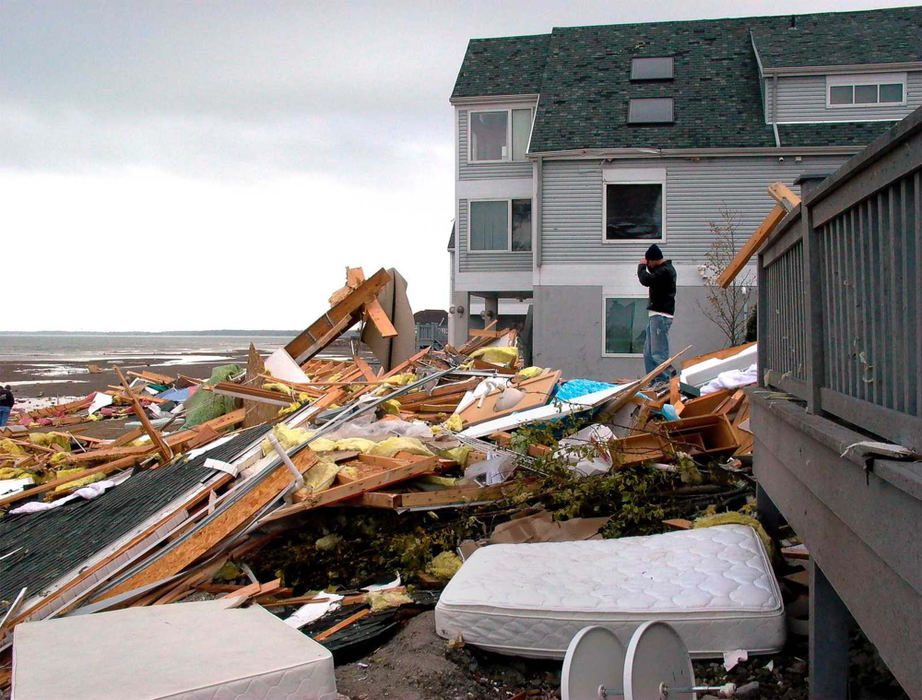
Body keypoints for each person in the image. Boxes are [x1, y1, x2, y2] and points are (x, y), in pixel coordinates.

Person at [637, 244, 677, 384]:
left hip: (661, 316)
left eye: (648, 263)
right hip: (655, 315)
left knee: (658, 353)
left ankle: (666, 380)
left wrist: (641, 266)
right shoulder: (662, 271)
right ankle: (654, 380)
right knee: (648, 354)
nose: (648, 266)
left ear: (653, 260)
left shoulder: (665, 271)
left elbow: (645, 280)